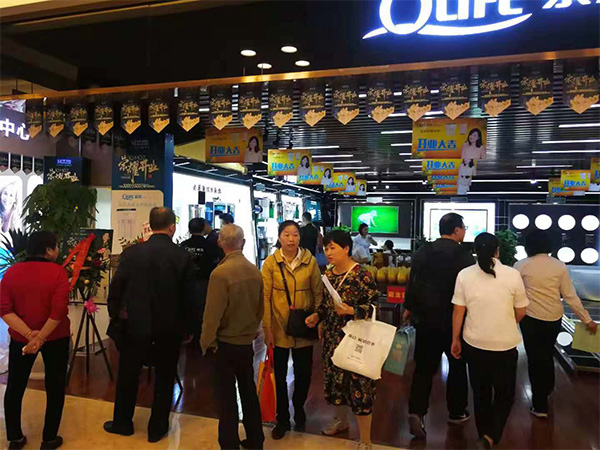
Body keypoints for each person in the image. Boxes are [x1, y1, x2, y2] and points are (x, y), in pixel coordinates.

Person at [104, 207, 196, 443]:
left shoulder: (131, 254)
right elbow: (189, 298)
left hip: (134, 326)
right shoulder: (182, 256)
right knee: (165, 377)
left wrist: (116, 316)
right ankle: (157, 428)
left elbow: (117, 289)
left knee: (128, 375)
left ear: (150, 225)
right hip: (169, 328)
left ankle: (123, 422)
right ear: (172, 227)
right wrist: (188, 329)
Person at [451, 233, 529, 450]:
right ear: (498, 250)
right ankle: (491, 436)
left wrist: (455, 339)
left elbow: (458, 311)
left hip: (474, 343)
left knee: (480, 393)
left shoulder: (464, 275)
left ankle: (483, 436)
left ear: (475, 250)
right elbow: (521, 311)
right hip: (505, 345)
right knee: (505, 394)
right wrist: (505, 322)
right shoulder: (512, 275)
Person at [305, 230, 379, 450]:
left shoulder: (362, 274)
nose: (328, 252)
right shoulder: (328, 274)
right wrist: (317, 316)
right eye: (326, 248)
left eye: (333, 248)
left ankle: (365, 439)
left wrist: (351, 310)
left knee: (359, 385)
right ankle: (341, 420)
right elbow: (325, 305)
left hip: (356, 338)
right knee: (336, 382)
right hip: (332, 337)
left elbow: (374, 306)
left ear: (346, 249)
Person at [403, 213, 474, 439]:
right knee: (457, 366)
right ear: (456, 230)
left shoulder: (423, 251)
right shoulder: (464, 256)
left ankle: (416, 411)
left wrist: (408, 307)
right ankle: (456, 411)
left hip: (425, 320)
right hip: (454, 321)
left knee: (423, 368)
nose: (464, 231)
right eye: (463, 227)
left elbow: (413, 281)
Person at [515, 230, 597, 418]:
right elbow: (570, 295)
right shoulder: (559, 266)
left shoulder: (521, 265)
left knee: (535, 358)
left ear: (528, 245)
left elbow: (515, 295)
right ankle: (548, 388)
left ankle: (540, 405)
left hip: (530, 318)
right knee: (547, 353)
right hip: (553, 317)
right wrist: (587, 319)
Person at [1, 231, 70, 450]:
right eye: (56, 246)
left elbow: (4, 310)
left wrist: (29, 335)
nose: (58, 251)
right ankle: (49, 439)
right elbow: (59, 311)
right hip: (56, 337)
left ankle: (15, 438)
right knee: (55, 386)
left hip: (21, 339)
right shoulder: (58, 272)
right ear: (48, 250)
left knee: (15, 386)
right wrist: (39, 337)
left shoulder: (11, 273)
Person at [201, 224, 265, 450]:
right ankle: (256, 439)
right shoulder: (254, 271)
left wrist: (206, 342)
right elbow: (260, 308)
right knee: (248, 391)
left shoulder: (220, 274)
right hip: (246, 342)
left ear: (220, 243)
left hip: (224, 344)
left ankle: (229, 443)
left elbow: (212, 314)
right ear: (243, 243)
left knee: (226, 397)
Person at [262, 221, 322, 440]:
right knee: (279, 375)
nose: (291, 239)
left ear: (300, 237)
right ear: (279, 237)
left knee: (304, 373)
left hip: (304, 327)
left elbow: (318, 293)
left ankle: (299, 406)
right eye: (286, 235)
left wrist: (318, 317)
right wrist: (267, 328)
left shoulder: (310, 261)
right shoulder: (271, 263)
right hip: (279, 328)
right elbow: (265, 298)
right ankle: (282, 418)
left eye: (295, 234)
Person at [180, 218, 220, 345]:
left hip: (187, 285)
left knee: (189, 311)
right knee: (204, 312)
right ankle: (203, 339)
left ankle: (190, 337)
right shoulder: (211, 246)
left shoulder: (183, 246)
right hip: (206, 284)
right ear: (203, 228)